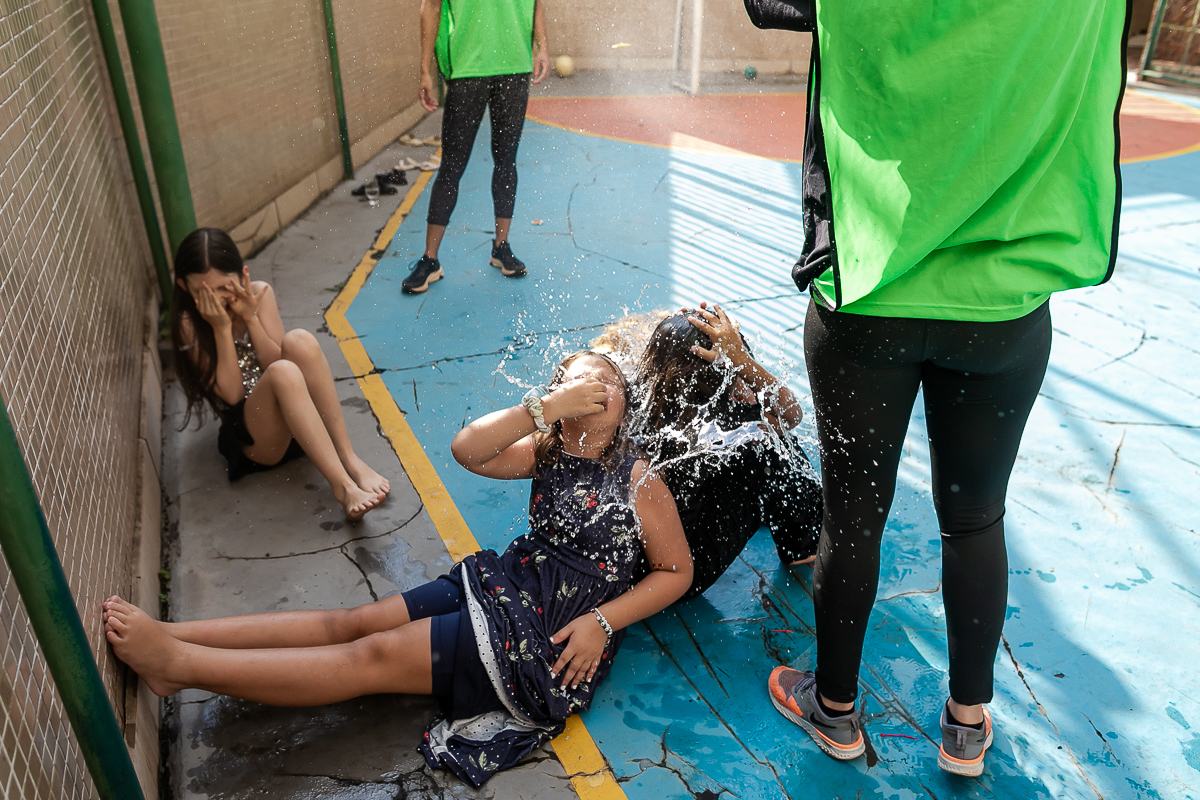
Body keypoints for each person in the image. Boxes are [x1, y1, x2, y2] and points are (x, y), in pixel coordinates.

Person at [760, 0, 1129, 777]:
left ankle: (835, 712)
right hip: (1003, 304)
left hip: (870, 290)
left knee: (852, 516)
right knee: (974, 518)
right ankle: (965, 726)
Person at [104, 351, 692, 786]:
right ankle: (180, 637)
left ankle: (179, 666)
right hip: (507, 585)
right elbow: (468, 450)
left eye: (606, 380)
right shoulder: (547, 448)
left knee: (371, 657)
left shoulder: (639, 479)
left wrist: (604, 623)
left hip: (544, 639)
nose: (590, 386)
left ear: (626, 404)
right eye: (573, 378)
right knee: (355, 622)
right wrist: (544, 408)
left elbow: (674, 570)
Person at [170, 228, 389, 521]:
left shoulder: (260, 293)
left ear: (243, 275)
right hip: (256, 439)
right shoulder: (189, 322)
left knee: (299, 340)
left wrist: (250, 319)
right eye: (203, 292)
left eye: (225, 287)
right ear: (184, 287)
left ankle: (349, 459)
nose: (217, 299)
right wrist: (221, 328)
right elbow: (233, 395)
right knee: (282, 371)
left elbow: (281, 360)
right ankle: (344, 488)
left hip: (301, 419)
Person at [633, 304, 821, 599]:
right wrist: (741, 360)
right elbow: (790, 414)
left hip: (637, 569)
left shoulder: (639, 399)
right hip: (682, 577)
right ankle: (805, 545)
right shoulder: (726, 420)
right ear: (723, 373)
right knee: (774, 446)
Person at [400, 0, 552, 294]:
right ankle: (430, 260)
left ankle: (501, 248)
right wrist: (425, 70)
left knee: (506, 160)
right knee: (452, 166)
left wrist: (541, 46)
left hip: (515, 65)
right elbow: (430, 7)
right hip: (468, 68)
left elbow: (536, 2)